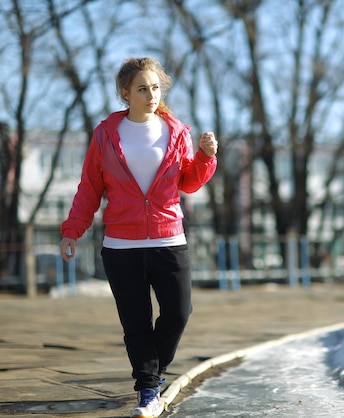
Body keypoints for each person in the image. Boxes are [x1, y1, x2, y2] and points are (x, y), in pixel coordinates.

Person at [59, 57, 218, 418]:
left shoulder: (176, 131)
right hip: (121, 246)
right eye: (143, 88)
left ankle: (152, 374)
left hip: (168, 240)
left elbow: (189, 182)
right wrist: (72, 230)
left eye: (156, 87)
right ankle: (147, 390)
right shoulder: (105, 134)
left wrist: (206, 158)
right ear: (125, 93)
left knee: (178, 313)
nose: (151, 94)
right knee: (136, 323)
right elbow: (90, 188)